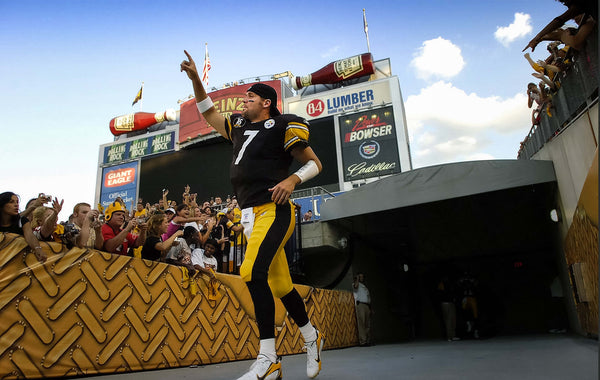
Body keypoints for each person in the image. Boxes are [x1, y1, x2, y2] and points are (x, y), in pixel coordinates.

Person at [181, 50, 325, 380]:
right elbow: (208, 113)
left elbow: (315, 163)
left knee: (250, 271)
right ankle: (310, 336)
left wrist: (292, 179)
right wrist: (195, 80)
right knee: (279, 283)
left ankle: (269, 357)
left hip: (274, 210)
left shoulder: (284, 124)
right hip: (249, 215)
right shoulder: (240, 126)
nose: (243, 103)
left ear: (266, 102)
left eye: (249, 98)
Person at [0, 192, 46, 262]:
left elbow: (30, 236)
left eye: (17, 202)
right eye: (11, 202)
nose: (16, 205)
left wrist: (37, 248)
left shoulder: (22, 221)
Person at [353, 273, 372, 346]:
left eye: (362, 277)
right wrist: (356, 279)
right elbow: (355, 286)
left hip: (367, 305)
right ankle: (363, 341)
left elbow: (368, 297)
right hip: (360, 304)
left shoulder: (365, 287)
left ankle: (367, 340)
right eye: (360, 277)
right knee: (362, 323)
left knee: (367, 324)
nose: (361, 278)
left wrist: (370, 308)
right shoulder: (356, 284)